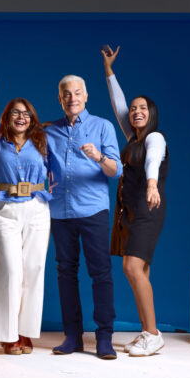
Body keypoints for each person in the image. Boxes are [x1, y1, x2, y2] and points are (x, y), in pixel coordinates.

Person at [45, 74, 123, 359]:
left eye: (78, 92)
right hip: (60, 212)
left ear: (86, 96)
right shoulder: (49, 131)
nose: (72, 98)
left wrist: (99, 157)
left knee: (100, 273)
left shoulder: (102, 126)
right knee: (65, 273)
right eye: (67, 94)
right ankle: (73, 336)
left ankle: (104, 338)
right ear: (60, 99)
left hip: (93, 211)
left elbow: (116, 171)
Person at [103, 45, 168, 357]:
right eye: (134, 108)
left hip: (147, 209)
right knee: (140, 271)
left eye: (142, 108)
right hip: (128, 212)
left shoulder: (154, 138)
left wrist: (152, 183)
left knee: (132, 267)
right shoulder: (132, 137)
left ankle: (153, 334)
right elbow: (118, 105)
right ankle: (147, 332)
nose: (135, 111)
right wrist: (109, 70)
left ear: (151, 113)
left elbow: (153, 160)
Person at [0, 98, 51, 355]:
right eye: (16, 113)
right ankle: (7, 334)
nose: (21, 117)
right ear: (6, 117)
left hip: (38, 209)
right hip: (5, 210)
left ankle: (24, 333)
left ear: (32, 118)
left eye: (26, 113)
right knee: (10, 270)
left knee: (34, 269)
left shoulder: (42, 142)